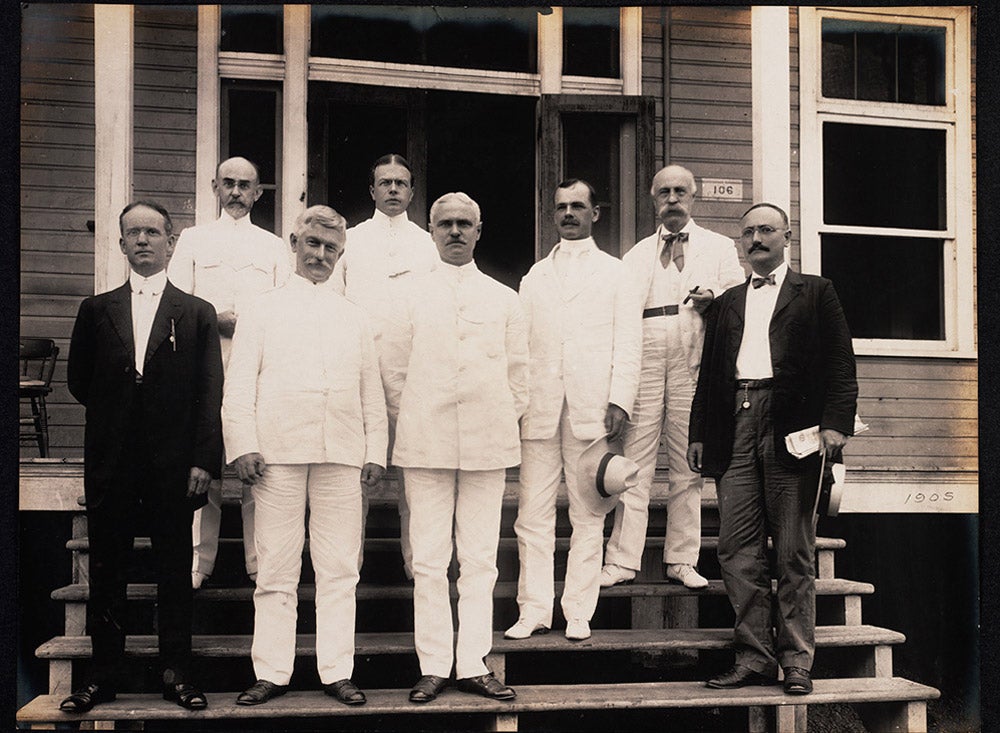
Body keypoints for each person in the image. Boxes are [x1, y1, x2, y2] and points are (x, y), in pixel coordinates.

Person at [688, 203, 857, 695]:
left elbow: (841, 364)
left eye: (766, 230)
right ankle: (754, 658)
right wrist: (700, 431)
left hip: (793, 428)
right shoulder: (728, 301)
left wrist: (834, 425)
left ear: (787, 236)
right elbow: (709, 372)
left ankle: (798, 661)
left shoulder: (817, 292)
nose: (756, 238)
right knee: (736, 550)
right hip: (734, 422)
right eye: (748, 232)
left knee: (793, 550)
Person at [222, 206, 387, 707]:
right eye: (312, 244)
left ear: (341, 254)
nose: (320, 255)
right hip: (277, 454)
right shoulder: (261, 307)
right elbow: (239, 383)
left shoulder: (355, 315)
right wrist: (243, 444)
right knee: (275, 566)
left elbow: (371, 392)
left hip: (341, 452)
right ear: (295, 242)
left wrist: (374, 450)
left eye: (330, 249)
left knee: (339, 566)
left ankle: (336, 669)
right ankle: (272, 670)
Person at [62, 201, 223, 713]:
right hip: (112, 464)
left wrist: (201, 460)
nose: (144, 241)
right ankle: (100, 678)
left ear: (171, 242)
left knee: (173, 572)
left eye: (154, 232)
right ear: (121, 243)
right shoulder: (96, 309)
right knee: (107, 572)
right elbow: (79, 382)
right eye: (133, 233)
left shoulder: (196, 313)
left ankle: (177, 675)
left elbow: (208, 392)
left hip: (173, 468)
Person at [384, 192, 528, 704]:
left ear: (479, 229)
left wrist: (490, 420)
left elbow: (519, 377)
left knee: (480, 560)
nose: (455, 232)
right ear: (430, 229)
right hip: (425, 443)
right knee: (427, 559)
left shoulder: (504, 298)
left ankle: (472, 662)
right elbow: (395, 374)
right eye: (445, 223)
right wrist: (424, 418)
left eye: (465, 223)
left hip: (487, 445)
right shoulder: (407, 296)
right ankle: (432, 665)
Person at [507, 179, 640, 642]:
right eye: (561, 206)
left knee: (588, 511)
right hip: (540, 409)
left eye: (577, 206)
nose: (568, 213)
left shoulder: (616, 272)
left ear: (595, 213)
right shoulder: (534, 276)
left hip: (592, 408)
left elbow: (629, 342)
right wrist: (518, 401)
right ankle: (535, 609)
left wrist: (620, 399)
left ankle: (579, 610)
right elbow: (520, 347)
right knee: (533, 514)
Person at [601, 165, 745, 589]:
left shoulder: (718, 248)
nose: (672, 199)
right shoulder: (636, 254)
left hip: (691, 359)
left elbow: (738, 302)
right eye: (664, 192)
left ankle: (682, 559)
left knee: (688, 464)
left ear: (694, 197)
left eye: (681, 191)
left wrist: (712, 299)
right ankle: (623, 560)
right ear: (652, 198)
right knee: (634, 465)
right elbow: (622, 320)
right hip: (645, 357)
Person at [168, 156, 291, 590]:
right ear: (215, 187)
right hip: (206, 365)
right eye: (229, 184)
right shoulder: (194, 240)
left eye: (246, 185)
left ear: (259, 192)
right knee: (206, 468)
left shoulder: (275, 246)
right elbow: (177, 304)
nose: (237, 192)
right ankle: (199, 564)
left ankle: (260, 564)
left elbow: (285, 308)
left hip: (258, 370)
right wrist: (212, 319)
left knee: (259, 467)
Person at [331, 153, 438, 579]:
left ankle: (418, 563)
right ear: (371, 190)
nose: (393, 189)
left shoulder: (427, 245)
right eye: (385, 182)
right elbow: (334, 303)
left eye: (401, 183)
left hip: (412, 374)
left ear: (411, 191)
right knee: (356, 470)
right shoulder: (351, 241)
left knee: (416, 471)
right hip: (359, 373)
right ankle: (347, 565)